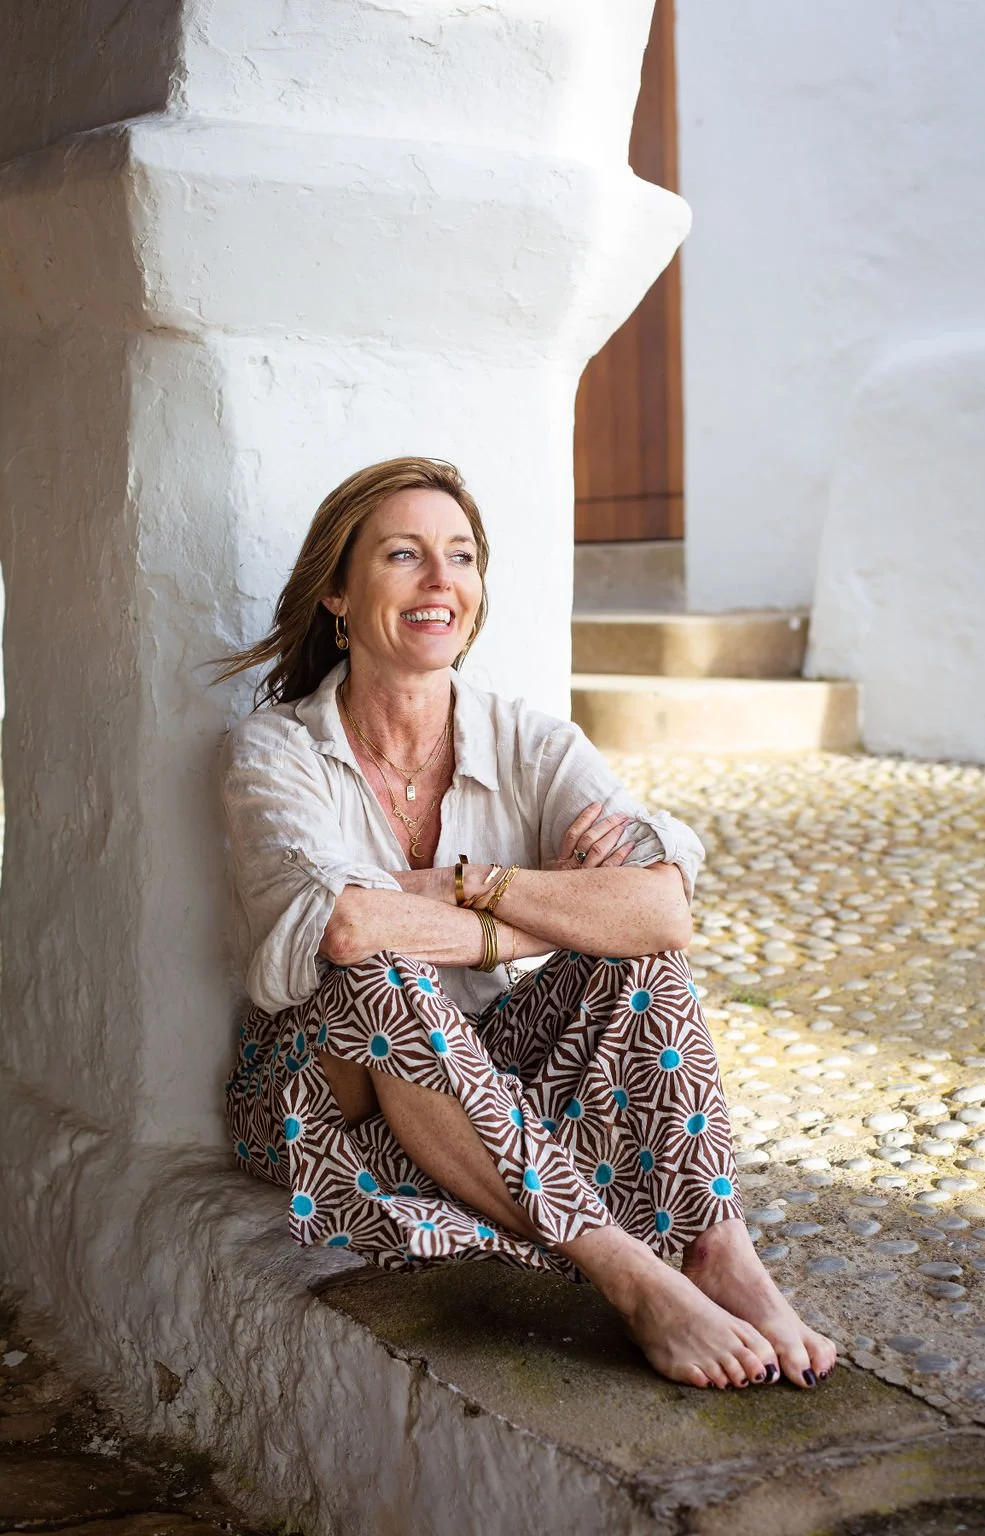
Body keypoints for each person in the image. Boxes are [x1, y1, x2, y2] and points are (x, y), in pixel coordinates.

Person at [217, 456, 836, 1392]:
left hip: (477, 1091)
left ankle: (720, 1248)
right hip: (317, 1100)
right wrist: (542, 917)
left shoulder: (528, 741)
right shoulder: (276, 749)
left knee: (638, 959)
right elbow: (347, 929)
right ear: (337, 593)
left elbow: (661, 910)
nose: (442, 581)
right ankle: (629, 1275)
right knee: (379, 974)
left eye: (462, 557)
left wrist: (475, 885)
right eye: (404, 555)